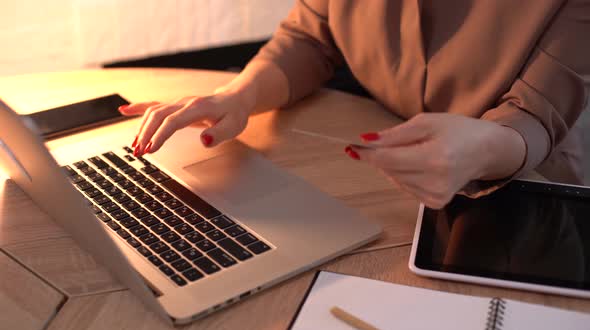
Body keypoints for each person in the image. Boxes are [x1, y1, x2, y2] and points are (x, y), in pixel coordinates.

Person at [118, 0, 590, 208]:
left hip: (532, 187)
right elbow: (311, 35)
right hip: (384, 183)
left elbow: (534, 115)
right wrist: (239, 96)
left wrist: (483, 149)